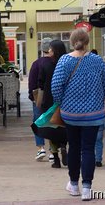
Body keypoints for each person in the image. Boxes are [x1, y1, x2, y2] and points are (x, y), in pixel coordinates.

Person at [51, 29, 105, 200]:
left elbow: (56, 86)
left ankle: (73, 184)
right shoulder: (97, 61)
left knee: (74, 148)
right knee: (88, 149)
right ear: (87, 42)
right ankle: (87, 187)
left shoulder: (64, 60)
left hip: (70, 113)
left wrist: (60, 103)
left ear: (71, 42)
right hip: (93, 113)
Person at [39, 39, 69, 168]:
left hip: (49, 102)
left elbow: (40, 84)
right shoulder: (67, 64)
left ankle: (55, 157)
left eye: (50, 49)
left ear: (54, 51)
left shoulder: (46, 66)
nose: (48, 51)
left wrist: (39, 102)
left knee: (51, 129)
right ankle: (63, 145)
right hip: (65, 101)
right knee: (64, 126)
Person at [28, 37, 53, 162]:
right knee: (53, 123)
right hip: (53, 97)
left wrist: (32, 97)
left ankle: (40, 148)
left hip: (39, 97)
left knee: (38, 122)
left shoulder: (36, 64)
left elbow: (32, 83)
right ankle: (53, 150)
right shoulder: (56, 63)